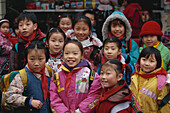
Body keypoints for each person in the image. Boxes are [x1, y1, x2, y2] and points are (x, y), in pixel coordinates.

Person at [50, 40, 102, 113]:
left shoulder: (90, 75)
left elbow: (95, 95)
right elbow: (53, 97)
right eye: (67, 53)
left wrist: (80, 111)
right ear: (63, 55)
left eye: (75, 53)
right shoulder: (57, 76)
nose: (71, 56)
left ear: (81, 55)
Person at [5, 40, 51, 113]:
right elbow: (9, 97)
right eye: (32, 59)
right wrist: (29, 101)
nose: (36, 63)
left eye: (40, 59)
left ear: (46, 58)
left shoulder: (48, 71)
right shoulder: (22, 76)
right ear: (26, 58)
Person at [129, 46, 169, 113]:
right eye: (144, 60)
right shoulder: (134, 76)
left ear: (157, 63)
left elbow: (165, 104)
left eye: (151, 61)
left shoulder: (161, 81)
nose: (147, 64)